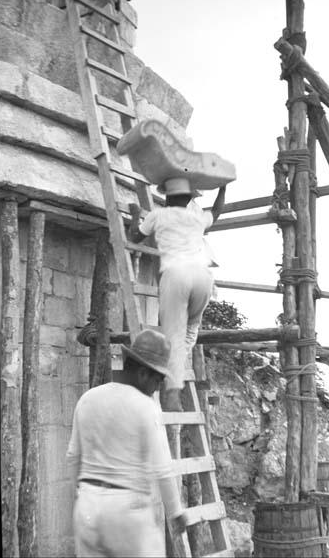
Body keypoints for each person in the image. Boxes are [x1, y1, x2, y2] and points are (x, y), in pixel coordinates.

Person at [66, 329, 188, 557]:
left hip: (87, 508)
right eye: (158, 379)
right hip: (126, 512)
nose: (158, 386)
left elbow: (73, 457)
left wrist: (83, 496)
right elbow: (162, 469)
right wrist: (175, 512)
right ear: (143, 373)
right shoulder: (145, 407)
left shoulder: (88, 398)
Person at [129, 177, 226, 411]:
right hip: (202, 278)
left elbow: (134, 237)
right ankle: (176, 376)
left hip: (177, 276)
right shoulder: (196, 218)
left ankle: (171, 397)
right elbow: (218, 210)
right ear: (190, 198)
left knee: (174, 336)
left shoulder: (158, 215)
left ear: (167, 197)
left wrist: (134, 215)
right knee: (190, 331)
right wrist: (223, 186)